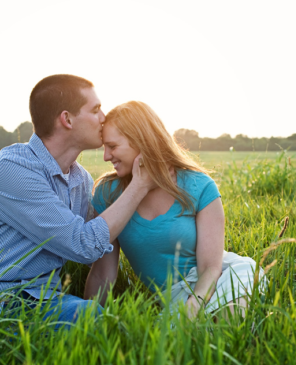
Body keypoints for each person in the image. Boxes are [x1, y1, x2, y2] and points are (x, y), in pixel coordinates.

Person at [85, 101, 264, 319]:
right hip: (173, 298)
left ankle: (218, 326)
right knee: (174, 334)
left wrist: (193, 308)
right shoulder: (107, 193)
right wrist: (86, 321)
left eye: (112, 146)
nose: (105, 156)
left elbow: (210, 268)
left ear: (141, 142)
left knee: (241, 282)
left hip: (213, 281)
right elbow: (103, 274)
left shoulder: (199, 186)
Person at [0, 75, 155, 323]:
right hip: (8, 298)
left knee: (109, 325)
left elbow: (101, 239)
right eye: (95, 110)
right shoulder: (12, 169)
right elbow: (82, 244)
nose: (104, 117)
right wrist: (139, 186)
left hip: (46, 299)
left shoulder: (81, 179)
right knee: (103, 325)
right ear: (67, 119)